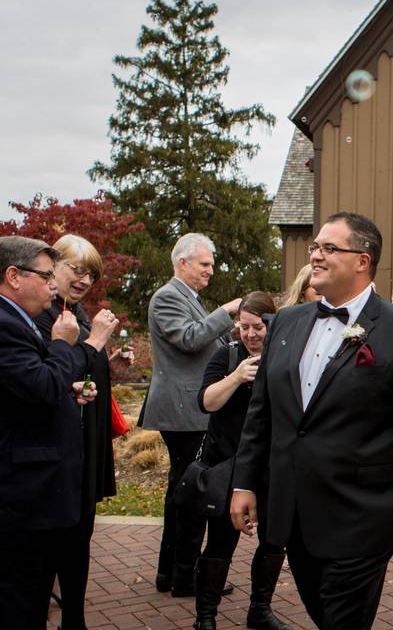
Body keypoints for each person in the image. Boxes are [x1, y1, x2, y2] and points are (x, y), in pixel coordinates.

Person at [229, 213, 393, 630]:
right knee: (321, 610)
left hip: (365, 513)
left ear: (362, 260)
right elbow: (263, 411)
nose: (316, 255)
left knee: (342, 619)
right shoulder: (287, 323)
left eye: (329, 247)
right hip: (294, 508)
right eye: (315, 246)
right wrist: (245, 481)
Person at [0, 236, 116, 630]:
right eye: (48, 275)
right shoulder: (15, 323)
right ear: (14, 277)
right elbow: (43, 383)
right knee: (22, 595)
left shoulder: (47, 318)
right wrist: (85, 344)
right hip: (26, 484)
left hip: (56, 468)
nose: (53, 285)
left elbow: (40, 390)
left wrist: (72, 392)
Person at [34, 235, 131, 630]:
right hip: (58, 444)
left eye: (91, 273)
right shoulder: (44, 317)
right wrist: (95, 343)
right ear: (51, 268)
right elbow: (55, 374)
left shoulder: (80, 314)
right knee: (57, 541)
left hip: (85, 440)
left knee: (81, 534)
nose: (84, 279)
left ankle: (74, 616)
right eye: (77, 269)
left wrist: (110, 363)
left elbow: (84, 368)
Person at [141, 233, 241, 596]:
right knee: (192, 494)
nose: (211, 271)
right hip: (184, 412)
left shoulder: (187, 298)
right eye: (205, 264)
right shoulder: (167, 297)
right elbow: (188, 338)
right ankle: (185, 577)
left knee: (180, 495)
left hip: (190, 410)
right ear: (182, 262)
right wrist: (226, 311)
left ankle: (171, 573)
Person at [192, 292, 290, 630]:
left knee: (275, 540)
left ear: (272, 324)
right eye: (244, 327)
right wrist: (236, 377)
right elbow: (206, 403)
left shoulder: (284, 356)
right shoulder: (227, 354)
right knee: (220, 542)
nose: (250, 334)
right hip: (228, 466)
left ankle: (259, 610)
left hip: (272, 466)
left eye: (258, 327)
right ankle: (205, 617)